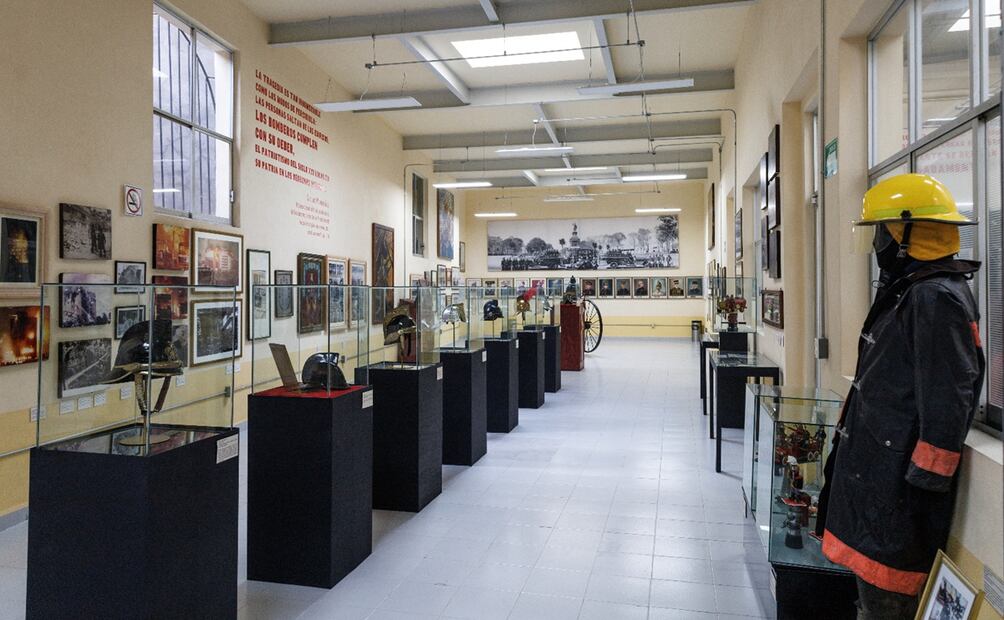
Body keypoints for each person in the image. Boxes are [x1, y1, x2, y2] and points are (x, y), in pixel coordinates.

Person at [816, 174, 985, 619]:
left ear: (907, 234)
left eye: (882, 232)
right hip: (881, 480)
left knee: (885, 605)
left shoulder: (934, 298)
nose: (877, 245)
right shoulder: (916, 291)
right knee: (870, 601)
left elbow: (948, 400)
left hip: (897, 495)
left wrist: (918, 491)